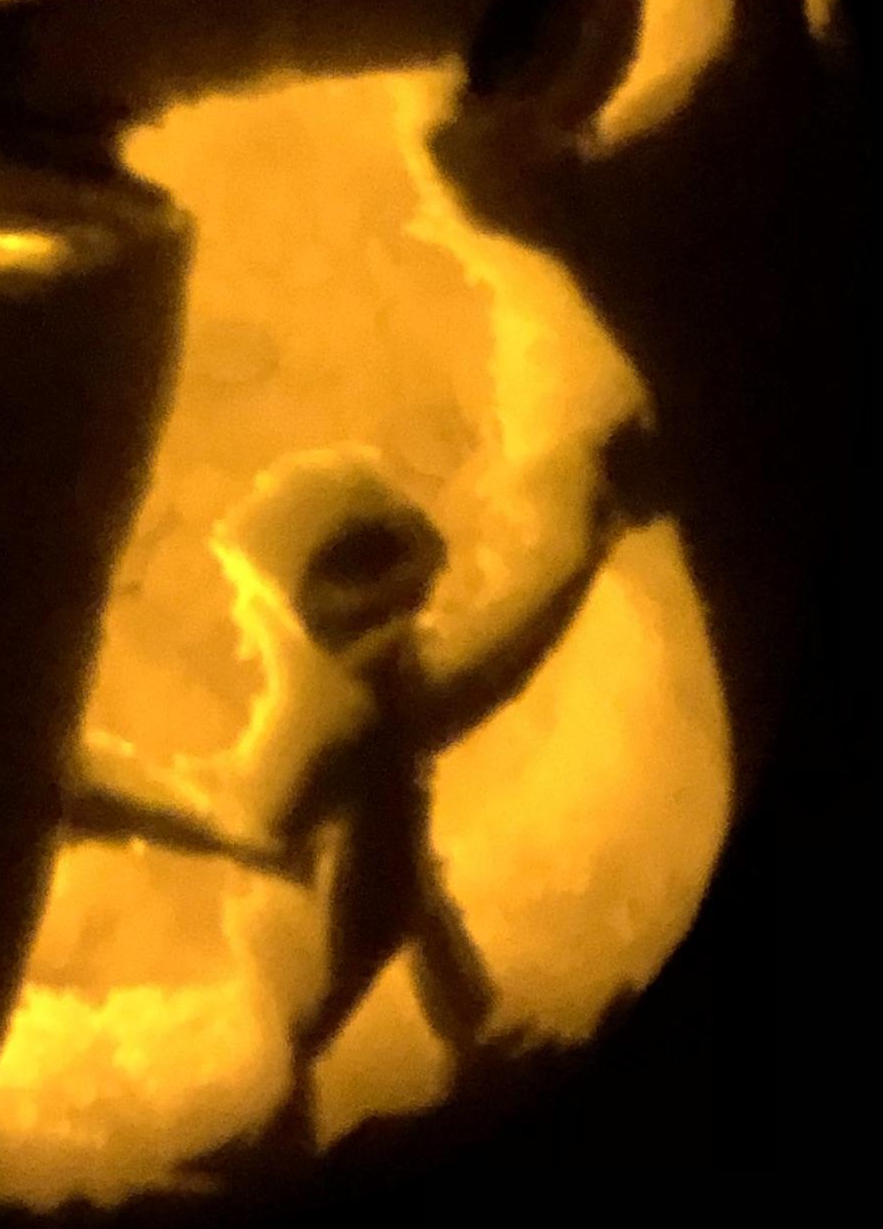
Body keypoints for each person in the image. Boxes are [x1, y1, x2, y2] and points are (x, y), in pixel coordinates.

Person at [62, 445, 648, 1155]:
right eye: (382, 612)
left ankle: (442, 1061)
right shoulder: (348, 727)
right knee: (329, 1007)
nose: (411, 629)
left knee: (387, 974)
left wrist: (586, 551)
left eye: (408, 606)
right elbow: (258, 819)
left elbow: (501, 661)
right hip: (366, 892)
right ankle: (285, 1122)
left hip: (388, 881)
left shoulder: (372, 712)